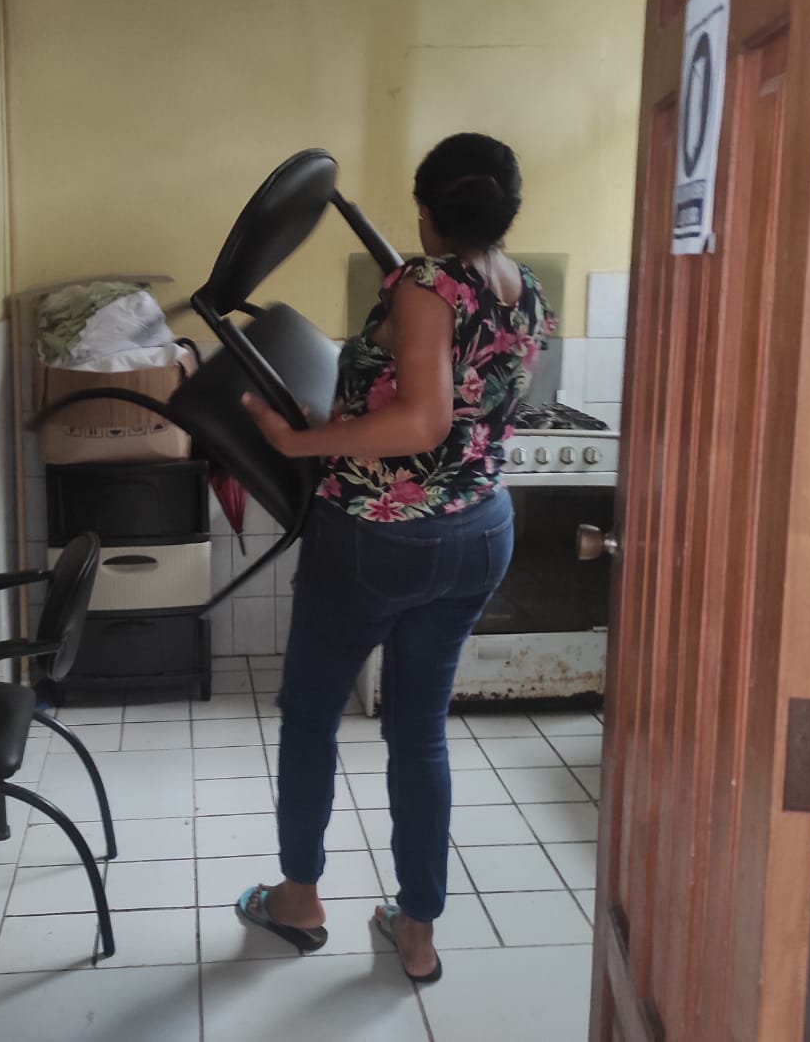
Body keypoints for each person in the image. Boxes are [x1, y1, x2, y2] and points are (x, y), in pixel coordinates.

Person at [235, 132, 556, 983]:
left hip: (378, 535)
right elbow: (451, 405)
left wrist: (298, 440)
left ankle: (299, 900)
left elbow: (422, 421)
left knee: (311, 714)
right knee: (419, 731)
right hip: (480, 530)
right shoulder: (525, 287)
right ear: (506, 209)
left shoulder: (424, 285)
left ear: (424, 209)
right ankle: (417, 932)